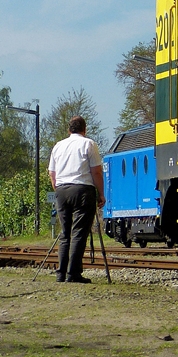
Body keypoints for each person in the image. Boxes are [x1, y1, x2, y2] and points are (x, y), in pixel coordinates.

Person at [47, 116, 104, 284]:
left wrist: (58, 190)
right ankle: (73, 273)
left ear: (69, 130)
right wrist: (101, 193)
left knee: (65, 233)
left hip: (62, 190)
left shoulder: (58, 146)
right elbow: (96, 172)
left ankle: (61, 273)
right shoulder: (89, 144)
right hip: (82, 189)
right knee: (79, 232)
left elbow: (52, 173)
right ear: (84, 129)